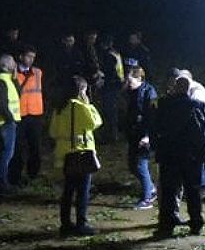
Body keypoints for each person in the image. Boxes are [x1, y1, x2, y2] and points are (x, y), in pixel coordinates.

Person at [153, 75, 205, 236]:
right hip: (191, 157)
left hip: (170, 156)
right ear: (189, 89)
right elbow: (202, 132)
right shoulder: (197, 106)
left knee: (169, 192)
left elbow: (156, 128)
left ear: (175, 88)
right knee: (193, 191)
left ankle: (166, 226)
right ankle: (196, 223)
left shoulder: (164, 105)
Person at [49, 76, 102, 236]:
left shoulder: (59, 108)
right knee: (83, 192)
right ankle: (81, 224)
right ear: (81, 90)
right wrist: (89, 105)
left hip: (64, 156)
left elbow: (52, 132)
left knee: (68, 192)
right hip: (82, 153)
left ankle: (65, 225)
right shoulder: (80, 107)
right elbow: (96, 122)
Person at [174, 68, 205, 201]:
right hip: (199, 130)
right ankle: (204, 186)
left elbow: (195, 111)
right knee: (200, 158)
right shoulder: (193, 90)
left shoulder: (196, 92)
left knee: (201, 158)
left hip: (202, 131)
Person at [122, 67, 159, 209]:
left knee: (140, 164)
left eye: (130, 80)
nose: (127, 82)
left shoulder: (149, 92)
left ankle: (147, 199)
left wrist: (148, 136)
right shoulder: (129, 92)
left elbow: (153, 116)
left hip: (144, 135)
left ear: (139, 79)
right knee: (132, 165)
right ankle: (151, 189)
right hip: (133, 134)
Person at [9, 46, 46, 187]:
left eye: (33, 57)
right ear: (21, 57)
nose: (31, 59)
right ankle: (15, 177)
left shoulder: (38, 72)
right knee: (17, 148)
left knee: (35, 147)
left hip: (35, 114)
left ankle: (33, 174)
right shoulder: (13, 74)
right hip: (19, 115)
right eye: (28, 56)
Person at [0, 54, 22, 195]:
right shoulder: (0, 82)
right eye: (13, 62)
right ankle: (1, 183)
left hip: (9, 122)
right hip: (5, 123)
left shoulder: (8, 80)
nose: (15, 64)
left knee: (8, 153)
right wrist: (9, 119)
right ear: (6, 65)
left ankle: (3, 182)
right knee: (7, 153)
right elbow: (2, 104)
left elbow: (18, 94)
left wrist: (15, 79)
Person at [96, 34, 125, 142]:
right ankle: (114, 133)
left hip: (111, 86)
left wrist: (101, 78)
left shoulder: (108, 55)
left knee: (109, 110)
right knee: (113, 109)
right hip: (117, 84)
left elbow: (109, 72)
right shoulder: (115, 53)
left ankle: (112, 135)